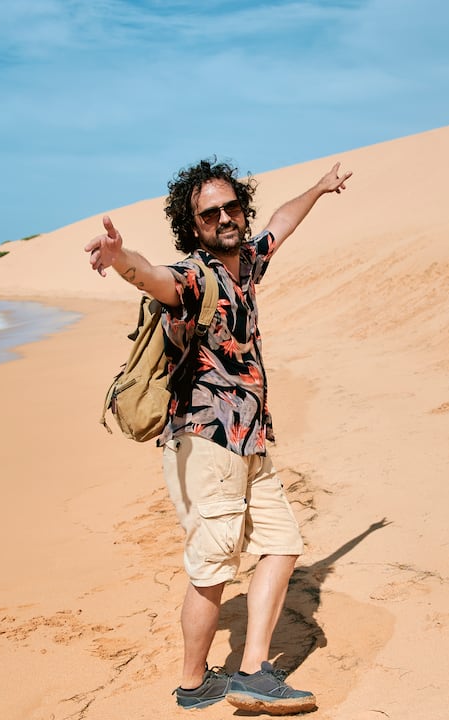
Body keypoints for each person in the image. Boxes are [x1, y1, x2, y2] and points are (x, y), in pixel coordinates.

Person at [84, 158, 351, 713]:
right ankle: (192, 682)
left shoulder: (248, 261)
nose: (225, 217)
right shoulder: (194, 276)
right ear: (194, 225)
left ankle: (253, 667)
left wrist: (320, 189)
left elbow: (282, 219)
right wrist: (120, 259)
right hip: (207, 442)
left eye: (232, 207)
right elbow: (153, 275)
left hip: (251, 440)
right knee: (213, 567)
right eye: (211, 213)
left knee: (281, 545)